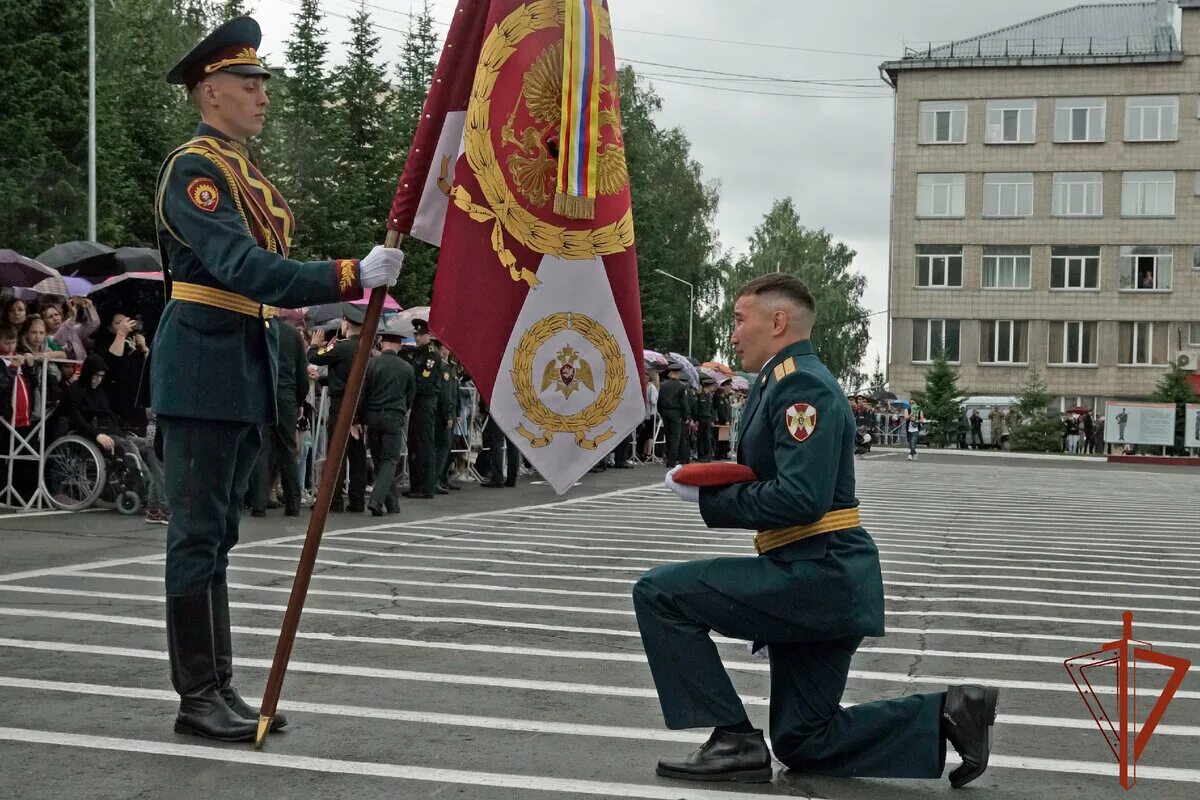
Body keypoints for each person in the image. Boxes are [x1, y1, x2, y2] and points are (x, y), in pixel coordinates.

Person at [633, 274, 998, 787]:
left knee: (659, 594)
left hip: (816, 574)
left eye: (741, 320)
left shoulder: (802, 386)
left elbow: (802, 499)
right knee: (805, 740)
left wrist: (713, 498)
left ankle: (733, 740)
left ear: (778, 322)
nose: (734, 334)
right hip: (820, 576)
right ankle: (949, 713)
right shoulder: (778, 380)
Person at [152, 15, 403, 743]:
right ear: (210, 92)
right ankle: (197, 693)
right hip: (203, 360)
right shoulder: (194, 170)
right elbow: (240, 268)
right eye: (248, 83)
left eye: (263, 83)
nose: (263, 95)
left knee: (219, 533)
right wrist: (348, 275)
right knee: (198, 534)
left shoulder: (243, 172)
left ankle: (218, 688)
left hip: (236, 358)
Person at [62, 355, 169, 523]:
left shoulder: (99, 392)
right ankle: (148, 490)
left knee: (149, 446)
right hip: (92, 433)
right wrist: (96, 435)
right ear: (88, 373)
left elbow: (110, 415)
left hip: (114, 431)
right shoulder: (75, 391)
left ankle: (157, 497)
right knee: (130, 449)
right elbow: (77, 419)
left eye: (101, 376)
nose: (98, 380)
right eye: (95, 376)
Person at [307, 305, 369, 513]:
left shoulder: (343, 347)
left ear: (346, 322)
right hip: (359, 404)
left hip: (341, 403)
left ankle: (333, 500)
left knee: (337, 452)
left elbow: (315, 357)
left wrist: (314, 345)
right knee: (356, 453)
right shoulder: (366, 347)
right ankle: (357, 499)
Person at [249, 309, 308, 517]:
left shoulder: (256, 329)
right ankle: (293, 502)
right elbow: (302, 371)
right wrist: (300, 399)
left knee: (261, 447)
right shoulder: (292, 334)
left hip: (262, 390)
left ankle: (258, 502)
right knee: (288, 449)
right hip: (286, 393)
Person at [363, 319, 415, 516]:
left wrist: (359, 418)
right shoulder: (406, 368)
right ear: (399, 345)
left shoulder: (372, 364)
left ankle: (393, 504)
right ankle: (376, 500)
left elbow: (363, 393)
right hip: (394, 417)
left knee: (380, 461)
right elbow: (410, 396)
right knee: (390, 461)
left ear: (382, 343)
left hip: (373, 417)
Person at [95, 312, 150, 435]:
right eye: (118, 323)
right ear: (109, 327)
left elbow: (150, 367)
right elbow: (112, 362)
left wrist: (145, 348)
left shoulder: (133, 342)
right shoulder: (105, 343)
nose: (123, 325)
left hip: (135, 400)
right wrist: (121, 334)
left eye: (125, 321)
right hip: (116, 398)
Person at [405, 318, 441, 499]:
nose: (417, 338)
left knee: (424, 443)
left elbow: (424, 381)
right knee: (414, 442)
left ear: (428, 335)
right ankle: (416, 483)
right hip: (418, 402)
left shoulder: (431, 354)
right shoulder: (418, 353)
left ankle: (426, 486)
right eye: (415, 334)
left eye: (420, 334)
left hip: (425, 401)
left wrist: (410, 390)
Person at [433, 338, 460, 494]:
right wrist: (448, 414)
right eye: (444, 347)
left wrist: (457, 411)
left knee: (449, 447)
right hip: (443, 412)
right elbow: (445, 394)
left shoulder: (451, 367)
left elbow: (454, 391)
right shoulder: (442, 367)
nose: (446, 350)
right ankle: (436, 479)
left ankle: (442, 478)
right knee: (443, 446)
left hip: (452, 410)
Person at [657, 364, 689, 468]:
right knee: (676, 437)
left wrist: (662, 413)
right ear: (678, 373)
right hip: (676, 413)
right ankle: (672, 460)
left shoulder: (664, 386)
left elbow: (659, 402)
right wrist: (686, 416)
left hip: (665, 413)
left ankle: (668, 459)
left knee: (668, 436)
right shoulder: (681, 386)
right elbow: (684, 403)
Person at [695, 377, 716, 462]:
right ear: (707, 386)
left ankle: (708, 455)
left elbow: (711, 409)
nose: (713, 387)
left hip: (707, 419)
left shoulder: (710, 396)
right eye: (712, 386)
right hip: (700, 419)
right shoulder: (699, 395)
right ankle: (701, 455)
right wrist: (695, 419)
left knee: (707, 437)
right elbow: (696, 408)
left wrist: (712, 420)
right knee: (700, 438)